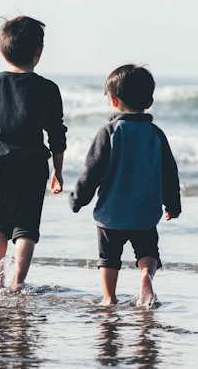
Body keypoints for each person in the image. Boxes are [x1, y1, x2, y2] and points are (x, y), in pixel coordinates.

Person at [0, 15, 67, 291]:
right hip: (33, 167)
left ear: (1, 50)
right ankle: (18, 282)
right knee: (27, 228)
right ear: (39, 52)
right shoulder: (48, 89)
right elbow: (57, 134)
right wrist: (58, 170)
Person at [70, 64, 181, 307]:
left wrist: (78, 199)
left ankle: (109, 298)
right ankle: (145, 276)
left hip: (112, 213)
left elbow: (92, 170)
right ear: (149, 101)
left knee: (108, 258)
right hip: (145, 212)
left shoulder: (109, 132)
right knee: (148, 251)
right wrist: (173, 204)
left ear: (113, 100)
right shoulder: (156, 133)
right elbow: (169, 172)